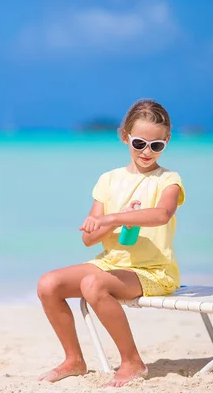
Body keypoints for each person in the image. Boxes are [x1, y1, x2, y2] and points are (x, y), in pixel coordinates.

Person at [37, 99, 186, 388]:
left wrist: (114, 218)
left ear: (167, 142)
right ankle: (74, 361)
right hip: (110, 263)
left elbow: (163, 214)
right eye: (140, 143)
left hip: (153, 271)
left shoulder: (168, 179)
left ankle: (132, 362)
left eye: (156, 146)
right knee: (48, 284)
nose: (147, 152)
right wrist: (99, 225)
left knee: (94, 284)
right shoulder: (108, 180)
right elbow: (88, 240)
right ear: (124, 137)